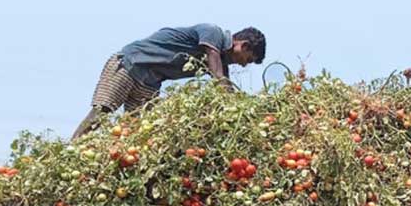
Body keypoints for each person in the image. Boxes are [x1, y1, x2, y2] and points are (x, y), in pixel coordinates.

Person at [72, 24, 266, 139]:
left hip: (149, 83)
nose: (243, 65)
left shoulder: (220, 64)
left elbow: (224, 87)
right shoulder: (213, 34)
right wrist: (229, 97)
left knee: (138, 133)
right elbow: (218, 74)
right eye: (248, 59)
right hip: (131, 63)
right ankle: (72, 148)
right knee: (102, 112)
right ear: (243, 45)